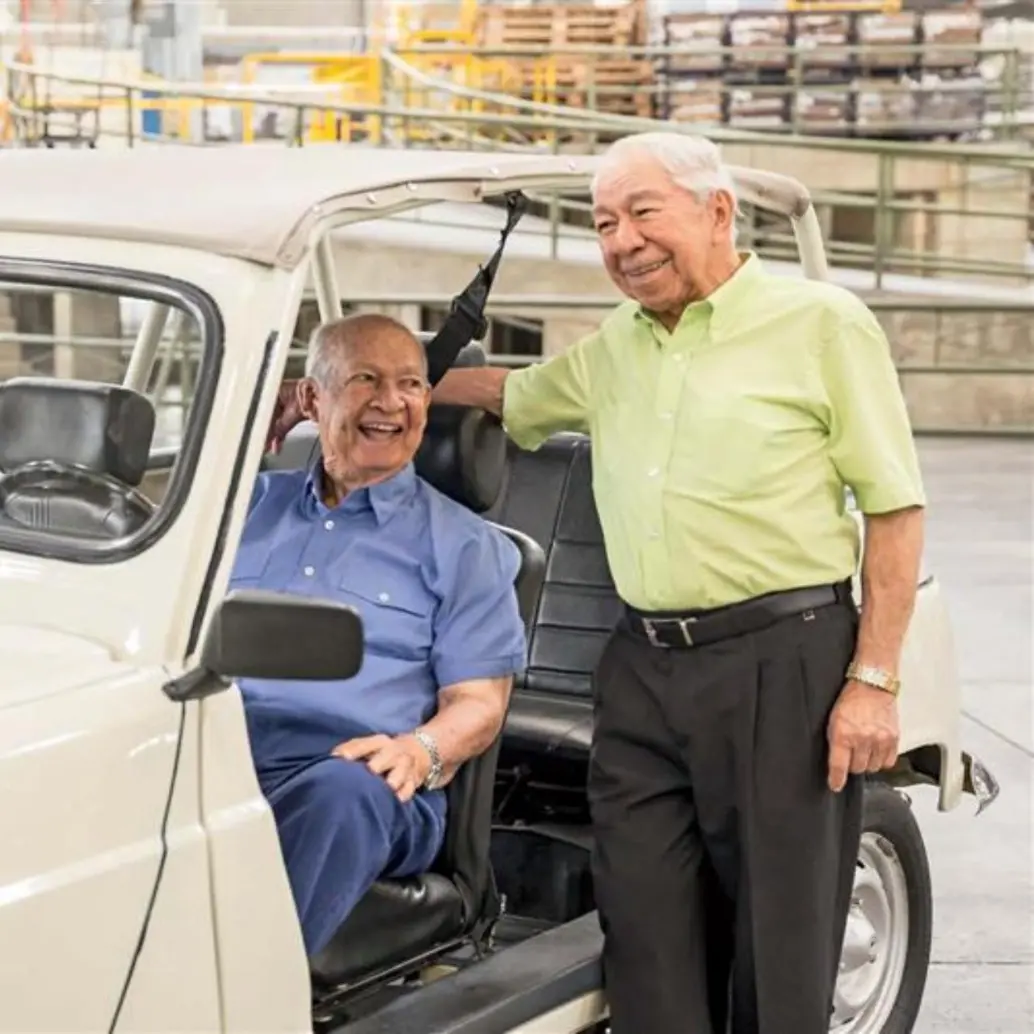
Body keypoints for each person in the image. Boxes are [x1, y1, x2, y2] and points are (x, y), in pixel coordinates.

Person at [423, 132, 926, 1034]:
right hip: (643, 668)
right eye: (605, 223)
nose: (622, 241)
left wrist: (873, 680)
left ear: (717, 211)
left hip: (785, 664)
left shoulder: (821, 324)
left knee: (780, 952)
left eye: (642, 212)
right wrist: (357, 382)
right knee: (647, 936)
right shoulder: (618, 344)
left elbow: (894, 511)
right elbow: (516, 391)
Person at [234, 312, 526, 958]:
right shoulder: (246, 507)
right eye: (365, 379)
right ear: (312, 399)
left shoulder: (465, 547)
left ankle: (231, 1001)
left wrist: (420, 750)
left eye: (411, 385)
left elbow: (479, 704)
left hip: (359, 778)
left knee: (342, 793)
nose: (391, 403)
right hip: (220, 760)